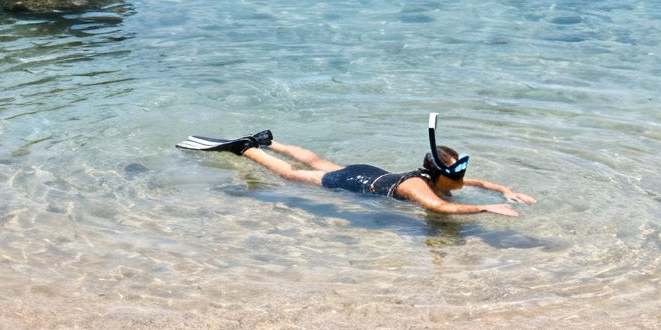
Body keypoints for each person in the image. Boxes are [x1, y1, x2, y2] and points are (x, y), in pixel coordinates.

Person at [178, 115, 537, 218]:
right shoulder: (418, 188)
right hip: (351, 181)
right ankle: (246, 150)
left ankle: (270, 140)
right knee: (290, 175)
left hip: (368, 170)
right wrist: (485, 208)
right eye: (458, 172)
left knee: (317, 159)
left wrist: (504, 190)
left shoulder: (437, 179)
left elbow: (478, 182)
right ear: (443, 174)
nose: (463, 178)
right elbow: (440, 208)